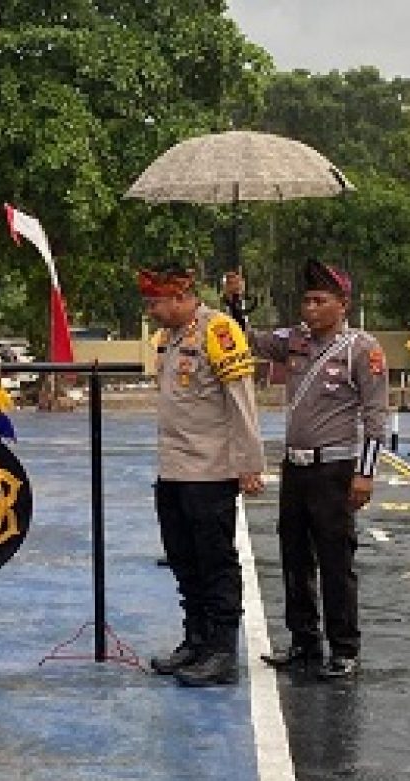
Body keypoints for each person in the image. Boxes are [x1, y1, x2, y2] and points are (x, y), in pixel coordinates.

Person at [238, 261, 388, 679]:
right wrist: (235, 299)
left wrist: (365, 473)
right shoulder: (293, 341)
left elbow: (377, 417)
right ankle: (304, 641)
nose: (310, 308)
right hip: (296, 468)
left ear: (343, 304)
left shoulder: (362, 349)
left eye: (320, 300)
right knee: (294, 556)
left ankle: (344, 647)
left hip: (335, 469)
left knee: (335, 560)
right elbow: (244, 341)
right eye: (306, 300)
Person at [141, 264, 266, 688]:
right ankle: (195, 640)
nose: (151, 310)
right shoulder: (169, 339)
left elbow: (241, 401)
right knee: (182, 559)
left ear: (180, 297)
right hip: (173, 469)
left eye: (156, 302)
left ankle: (221, 651)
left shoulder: (219, 330)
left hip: (210, 471)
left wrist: (249, 462)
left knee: (216, 563)